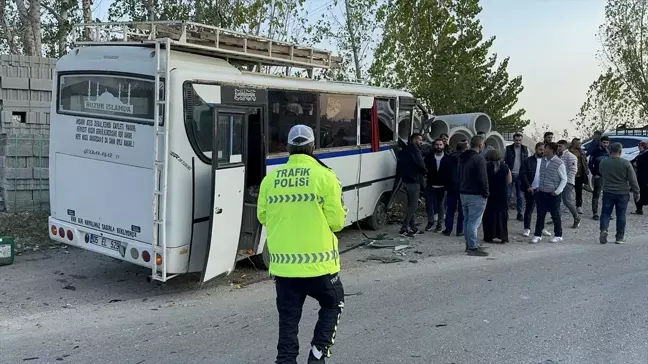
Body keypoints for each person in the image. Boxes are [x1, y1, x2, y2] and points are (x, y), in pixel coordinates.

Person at [257, 124, 348, 364]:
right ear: (313, 148)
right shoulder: (326, 177)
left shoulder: (270, 179)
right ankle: (317, 356)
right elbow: (337, 223)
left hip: (284, 270)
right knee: (333, 303)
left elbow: (263, 217)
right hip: (321, 268)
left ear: (287, 148)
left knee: (288, 322)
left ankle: (285, 361)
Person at [598, 142, 640, 244]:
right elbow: (632, 179)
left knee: (606, 213)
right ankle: (619, 237)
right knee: (621, 214)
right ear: (620, 151)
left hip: (608, 191)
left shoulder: (603, 163)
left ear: (609, 150)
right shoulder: (626, 163)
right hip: (622, 192)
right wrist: (636, 192)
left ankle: (604, 230)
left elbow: (601, 173)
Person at [530, 142, 567, 244]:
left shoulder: (559, 163)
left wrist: (557, 191)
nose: (543, 150)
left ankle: (558, 235)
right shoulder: (542, 161)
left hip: (553, 193)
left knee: (555, 215)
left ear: (551, 150)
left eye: (545, 148)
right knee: (540, 215)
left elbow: (564, 179)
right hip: (541, 192)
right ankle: (538, 235)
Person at [459, 135, 489, 256]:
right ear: (481, 145)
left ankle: (469, 244)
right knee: (474, 222)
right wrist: (486, 192)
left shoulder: (462, 157)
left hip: (463, 192)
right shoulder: (479, 159)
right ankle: (472, 247)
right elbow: (483, 178)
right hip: (476, 194)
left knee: (467, 220)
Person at [397, 133, 427, 237]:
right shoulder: (415, 151)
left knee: (411, 205)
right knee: (414, 205)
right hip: (414, 181)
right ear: (415, 140)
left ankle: (413, 227)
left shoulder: (405, 150)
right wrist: (426, 173)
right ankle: (404, 227)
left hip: (405, 181)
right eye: (419, 140)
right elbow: (421, 165)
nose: (421, 142)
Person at [520, 143, 551, 238]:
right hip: (531, 189)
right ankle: (527, 228)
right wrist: (528, 186)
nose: (542, 151)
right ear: (536, 149)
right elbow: (523, 174)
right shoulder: (527, 161)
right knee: (529, 209)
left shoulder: (547, 161)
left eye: (543, 149)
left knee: (542, 210)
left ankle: (541, 228)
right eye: (540, 149)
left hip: (542, 189)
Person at [482, 149, 511, 243]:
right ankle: (502, 236)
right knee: (502, 215)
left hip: (490, 193)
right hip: (502, 193)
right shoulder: (505, 166)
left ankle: (489, 236)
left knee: (489, 214)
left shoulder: (486, 166)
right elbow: (509, 180)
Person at [424, 138, 447, 232]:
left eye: (440, 145)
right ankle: (430, 222)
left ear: (443, 146)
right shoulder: (429, 158)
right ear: (434, 146)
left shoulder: (448, 158)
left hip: (442, 185)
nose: (438, 146)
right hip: (430, 184)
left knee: (441, 205)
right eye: (437, 145)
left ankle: (440, 224)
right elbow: (424, 169)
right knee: (429, 204)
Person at [557, 140, 581, 228]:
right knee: (556, 200)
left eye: (560, 146)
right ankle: (556, 218)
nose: (558, 148)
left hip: (567, 182)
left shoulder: (571, 156)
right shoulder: (557, 155)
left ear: (565, 147)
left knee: (567, 201)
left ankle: (577, 217)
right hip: (558, 181)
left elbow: (573, 170)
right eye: (558, 146)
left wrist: (566, 180)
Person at [504, 133, 528, 221]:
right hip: (509, 174)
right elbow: (503, 161)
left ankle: (520, 213)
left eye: (519, 140)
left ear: (522, 140)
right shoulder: (508, 149)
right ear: (513, 140)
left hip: (520, 175)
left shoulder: (525, 149)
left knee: (520, 196)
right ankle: (505, 213)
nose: (518, 142)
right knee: (507, 195)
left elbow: (527, 162)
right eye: (516, 140)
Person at [443, 142, 465, 237]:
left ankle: (448, 229)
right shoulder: (466, 159)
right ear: (464, 149)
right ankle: (459, 230)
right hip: (463, 187)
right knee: (462, 210)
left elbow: (445, 172)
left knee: (450, 209)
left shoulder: (449, 158)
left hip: (451, 187)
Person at [588, 135, 611, 220]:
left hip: (607, 177)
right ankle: (595, 213)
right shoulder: (595, 152)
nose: (605, 144)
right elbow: (590, 164)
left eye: (607, 143)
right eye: (604, 142)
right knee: (596, 195)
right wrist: (595, 174)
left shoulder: (609, 152)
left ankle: (607, 213)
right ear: (601, 142)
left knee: (607, 195)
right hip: (598, 176)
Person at [570, 137, 589, 214]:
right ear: (573, 144)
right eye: (578, 143)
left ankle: (578, 206)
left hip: (580, 175)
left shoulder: (582, 152)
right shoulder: (568, 152)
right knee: (567, 191)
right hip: (570, 175)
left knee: (579, 191)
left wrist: (586, 171)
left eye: (580, 143)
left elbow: (585, 162)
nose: (580, 144)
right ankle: (567, 206)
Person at [630, 141, 648, 214]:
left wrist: (636, 164)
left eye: (640, 146)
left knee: (640, 192)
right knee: (639, 192)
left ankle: (639, 209)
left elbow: (639, 164)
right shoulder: (640, 154)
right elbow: (633, 162)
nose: (639, 147)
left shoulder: (645, 155)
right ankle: (639, 209)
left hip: (644, 177)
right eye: (639, 146)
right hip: (641, 176)